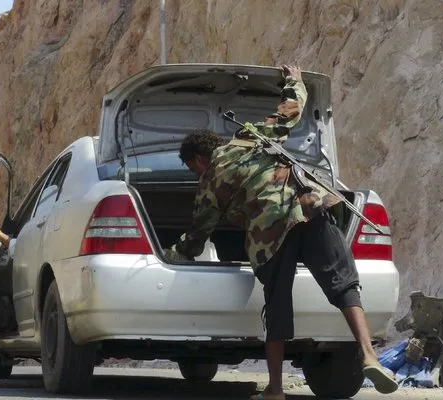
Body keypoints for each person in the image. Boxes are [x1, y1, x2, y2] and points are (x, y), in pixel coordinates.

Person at [169, 65, 398, 399]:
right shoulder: (247, 138)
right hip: (309, 208)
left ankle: (275, 389)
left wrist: (173, 253)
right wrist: (294, 80)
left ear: (199, 160)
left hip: (270, 237)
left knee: (277, 306)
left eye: (192, 169)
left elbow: (197, 236)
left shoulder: (207, 185)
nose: (194, 175)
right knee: (344, 284)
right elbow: (288, 114)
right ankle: (367, 353)